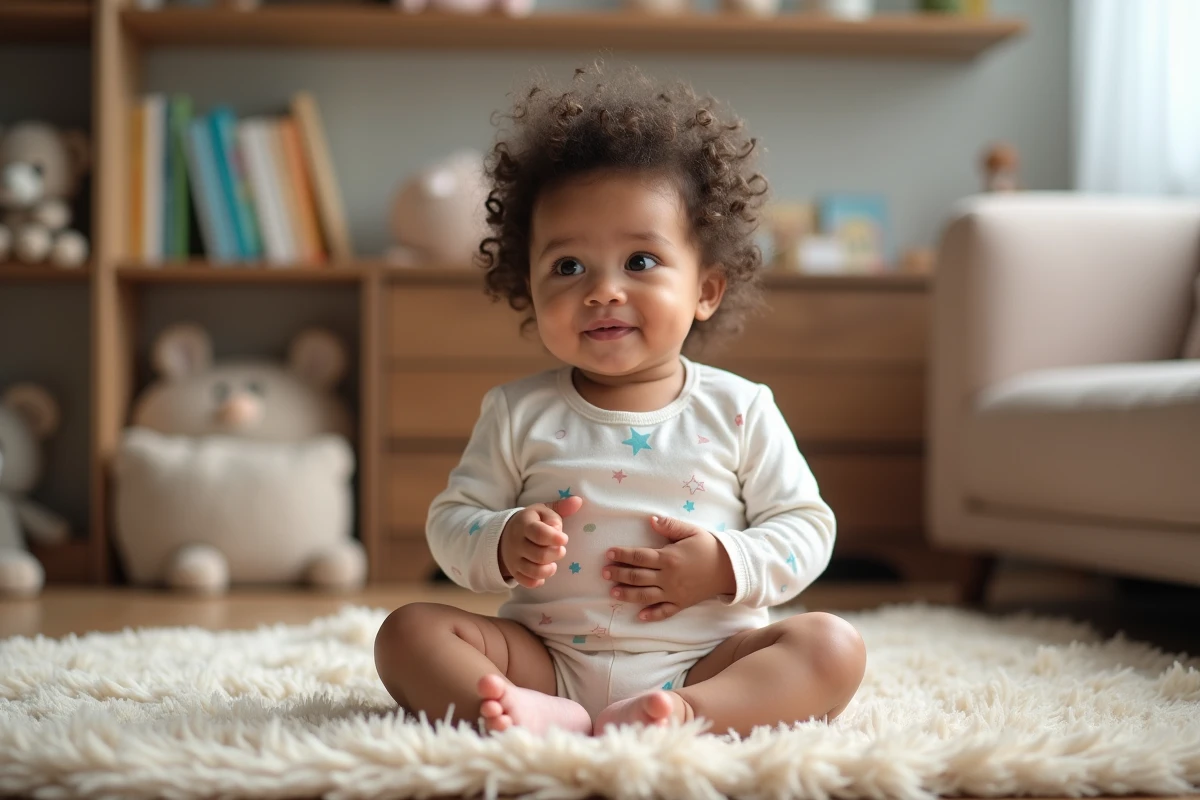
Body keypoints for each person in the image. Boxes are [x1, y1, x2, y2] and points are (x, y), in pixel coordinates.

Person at [374, 64, 866, 737]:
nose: (603, 290)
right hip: (544, 658)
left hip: (707, 659)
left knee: (833, 647)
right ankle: (535, 711)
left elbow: (807, 526)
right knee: (406, 633)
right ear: (528, 288)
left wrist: (725, 564)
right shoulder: (518, 412)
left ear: (706, 290)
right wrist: (500, 540)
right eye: (568, 266)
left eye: (639, 261)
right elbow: (450, 522)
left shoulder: (741, 408)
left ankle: (689, 712)